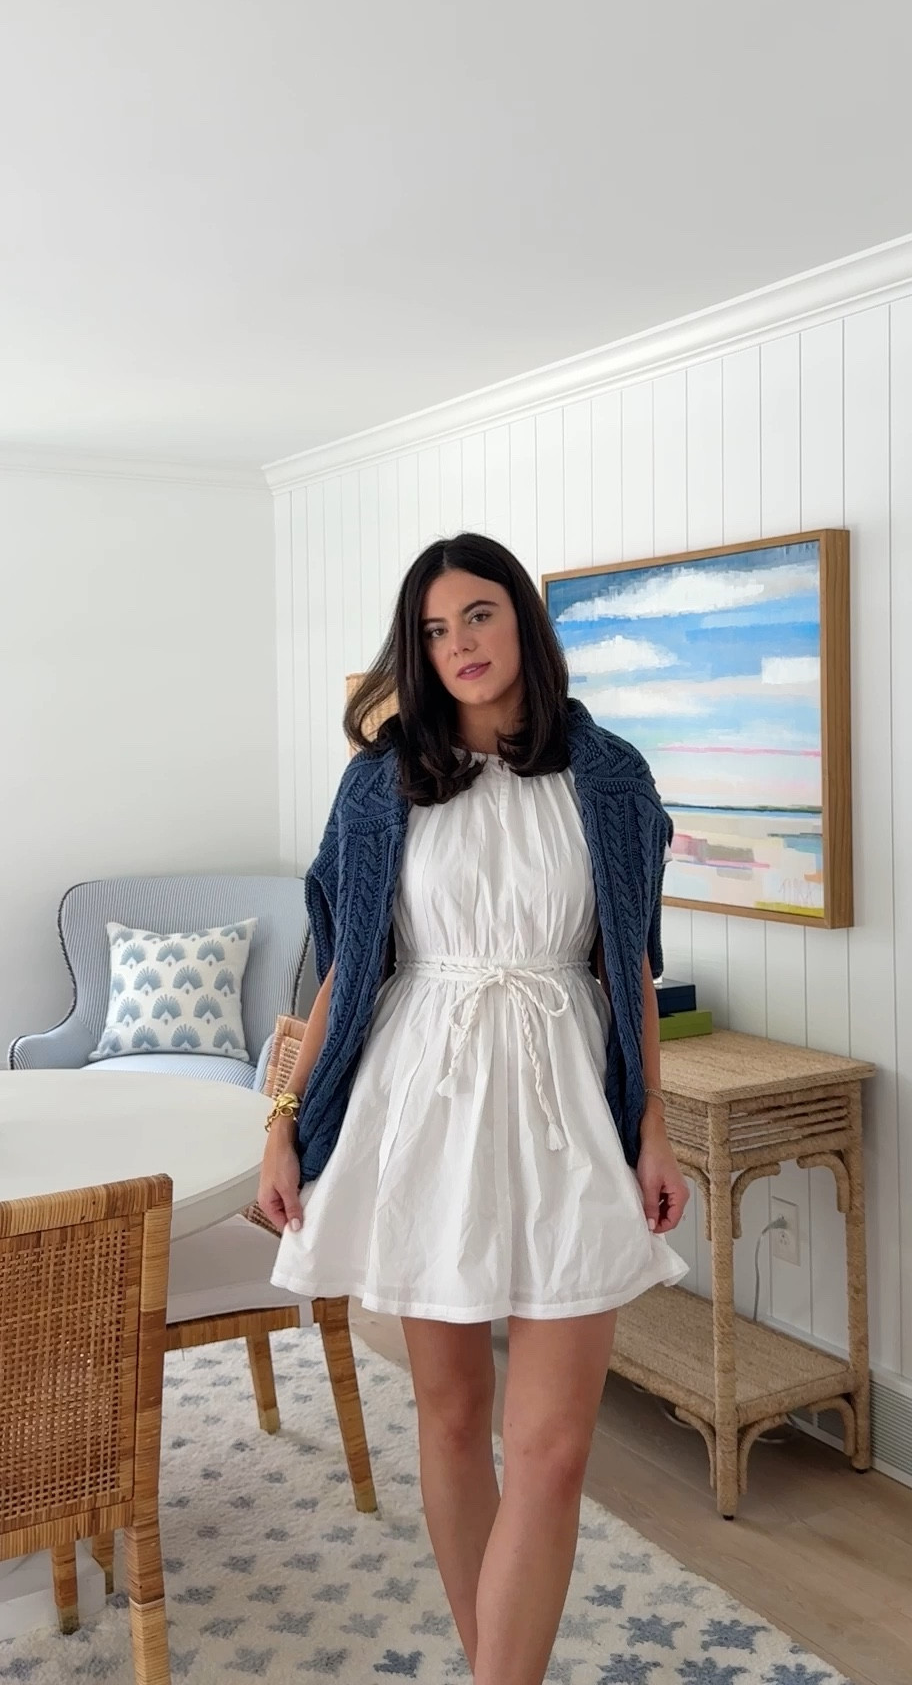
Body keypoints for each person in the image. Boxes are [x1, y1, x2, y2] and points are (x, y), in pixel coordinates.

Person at [258, 531, 690, 1685]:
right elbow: (345, 969)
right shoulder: (380, 782)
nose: (461, 646)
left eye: (481, 617)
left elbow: (630, 968)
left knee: (548, 1450)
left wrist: (653, 1125)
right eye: (437, 630)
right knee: (452, 1421)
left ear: (524, 624)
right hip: (420, 1102)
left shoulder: (610, 776)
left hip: (567, 1113)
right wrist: (285, 1122)